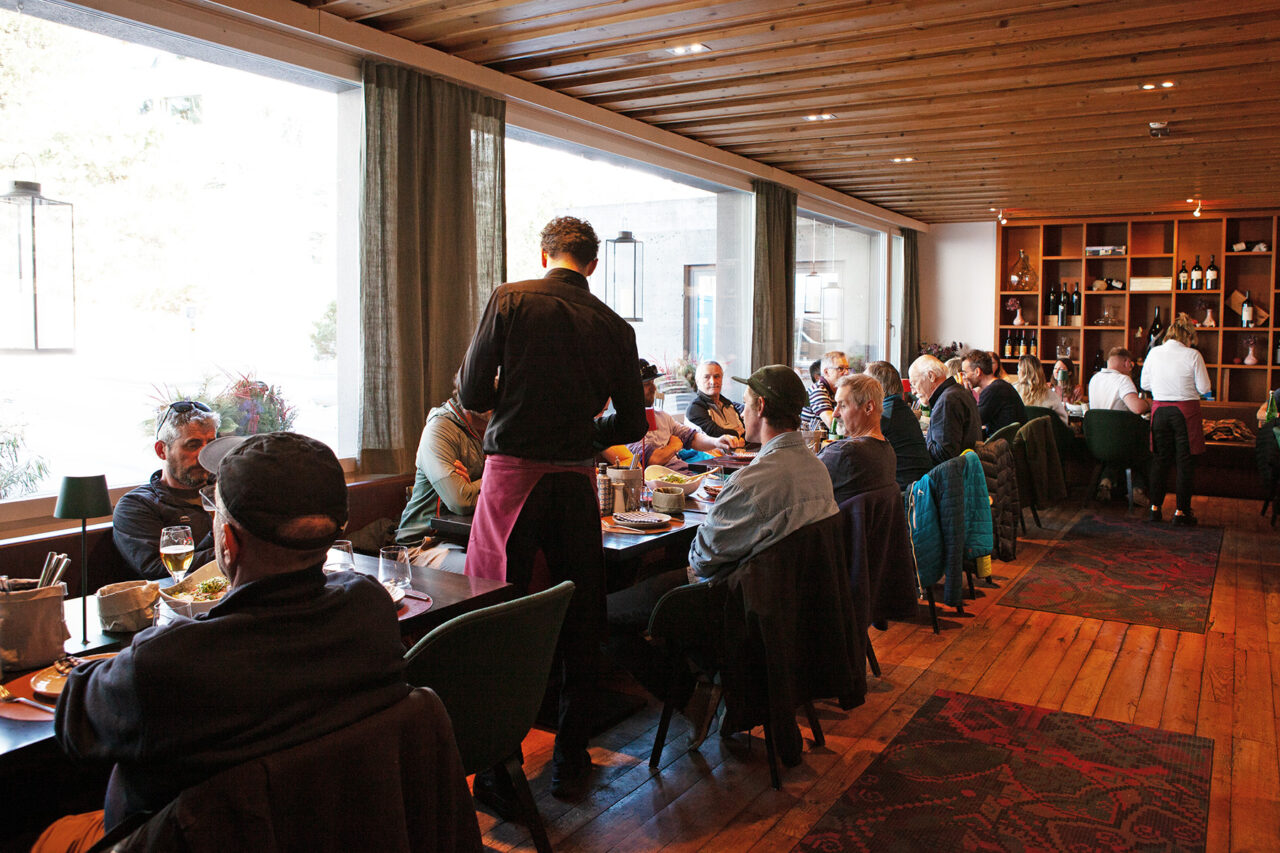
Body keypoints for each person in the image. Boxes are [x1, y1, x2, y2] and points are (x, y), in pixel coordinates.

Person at [43, 433, 435, 848]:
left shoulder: (166, 664)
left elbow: (74, 724)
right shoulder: (369, 610)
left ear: (227, 543)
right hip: (341, 830)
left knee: (51, 834)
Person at [458, 215, 647, 799]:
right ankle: (570, 758)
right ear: (592, 263)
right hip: (573, 480)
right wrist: (587, 432)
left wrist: (512, 399)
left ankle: (498, 770)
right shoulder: (614, 325)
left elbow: (471, 393)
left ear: (545, 257)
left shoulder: (510, 300)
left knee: (494, 613)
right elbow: (633, 422)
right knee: (580, 620)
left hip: (513, 477)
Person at [112, 401, 220, 581]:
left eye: (210, 444)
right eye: (193, 445)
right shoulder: (137, 505)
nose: (204, 455)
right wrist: (228, 549)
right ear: (161, 450)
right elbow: (156, 569)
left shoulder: (226, 489)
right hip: (175, 596)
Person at [395, 377, 491, 572]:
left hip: (464, 539)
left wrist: (473, 484)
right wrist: (492, 475)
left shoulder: (489, 431)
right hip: (422, 545)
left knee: (514, 560)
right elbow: (460, 501)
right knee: (483, 568)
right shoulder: (440, 428)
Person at [1140, 312, 1211, 525]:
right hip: (1185, 412)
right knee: (1184, 463)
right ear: (1188, 336)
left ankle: (1154, 509)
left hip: (1159, 411)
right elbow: (1205, 388)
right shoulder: (1193, 355)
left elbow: (1144, 384)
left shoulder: (1154, 353)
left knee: (1160, 460)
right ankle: (1181, 512)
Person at [625, 359, 739, 471]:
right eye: (647, 384)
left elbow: (691, 437)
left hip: (683, 473)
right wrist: (674, 446)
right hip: (659, 480)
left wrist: (716, 442)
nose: (654, 388)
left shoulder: (661, 416)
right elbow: (653, 460)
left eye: (653, 383)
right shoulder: (626, 423)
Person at [1085, 347, 1151, 504]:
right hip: (1121, 442)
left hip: (1097, 443)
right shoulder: (1123, 380)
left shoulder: (1095, 379)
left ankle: (1106, 481)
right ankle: (1137, 489)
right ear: (1127, 363)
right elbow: (1137, 408)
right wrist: (1149, 403)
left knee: (1115, 453)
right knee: (1148, 449)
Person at [818, 374, 897, 504]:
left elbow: (799, 486)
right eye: (836, 405)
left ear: (868, 408)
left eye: (843, 405)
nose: (835, 413)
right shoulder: (888, 451)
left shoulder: (843, 454)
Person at [865, 360, 932, 488]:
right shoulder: (900, 408)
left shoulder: (884, 415)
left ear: (874, 388)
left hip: (904, 490)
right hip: (919, 484)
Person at [909, 354, 981, 465]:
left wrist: (918, 445)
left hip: (956, 472)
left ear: (931, 376)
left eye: (914, 384)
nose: (913, 392)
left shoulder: (947, 401)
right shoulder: (959, 392)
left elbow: (944, 455)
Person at [961, 348, 1026, 438]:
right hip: (1008, 441)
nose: (964, 378)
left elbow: (973, 422)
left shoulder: (993, 390)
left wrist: (965, 393)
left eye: (965, 373)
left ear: (977, 372)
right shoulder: (1000, 386)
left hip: (1004, 444)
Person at [685, 359, 746, 440]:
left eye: (716, 377)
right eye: (706, 377)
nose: (713, 382)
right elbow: (714, 434)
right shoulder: (694, 409)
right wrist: (738, 433)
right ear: (697, 381)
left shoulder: (729, 404)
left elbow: (745, 429)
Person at [800, 350, 850, 433]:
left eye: (847, 368)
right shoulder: (818, 390)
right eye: (841, 368)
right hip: (815, 440)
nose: (846, 372)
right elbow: (833, 426)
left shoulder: (840, 390)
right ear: (826, 372)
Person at [1012, 354, 1068, 425]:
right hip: (1045, 431)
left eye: (1018, 370)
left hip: (1020, 431)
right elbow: (1063, 422)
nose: (1017, 372)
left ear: (1021, 372)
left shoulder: (1012, 392)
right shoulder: (1051, 396)